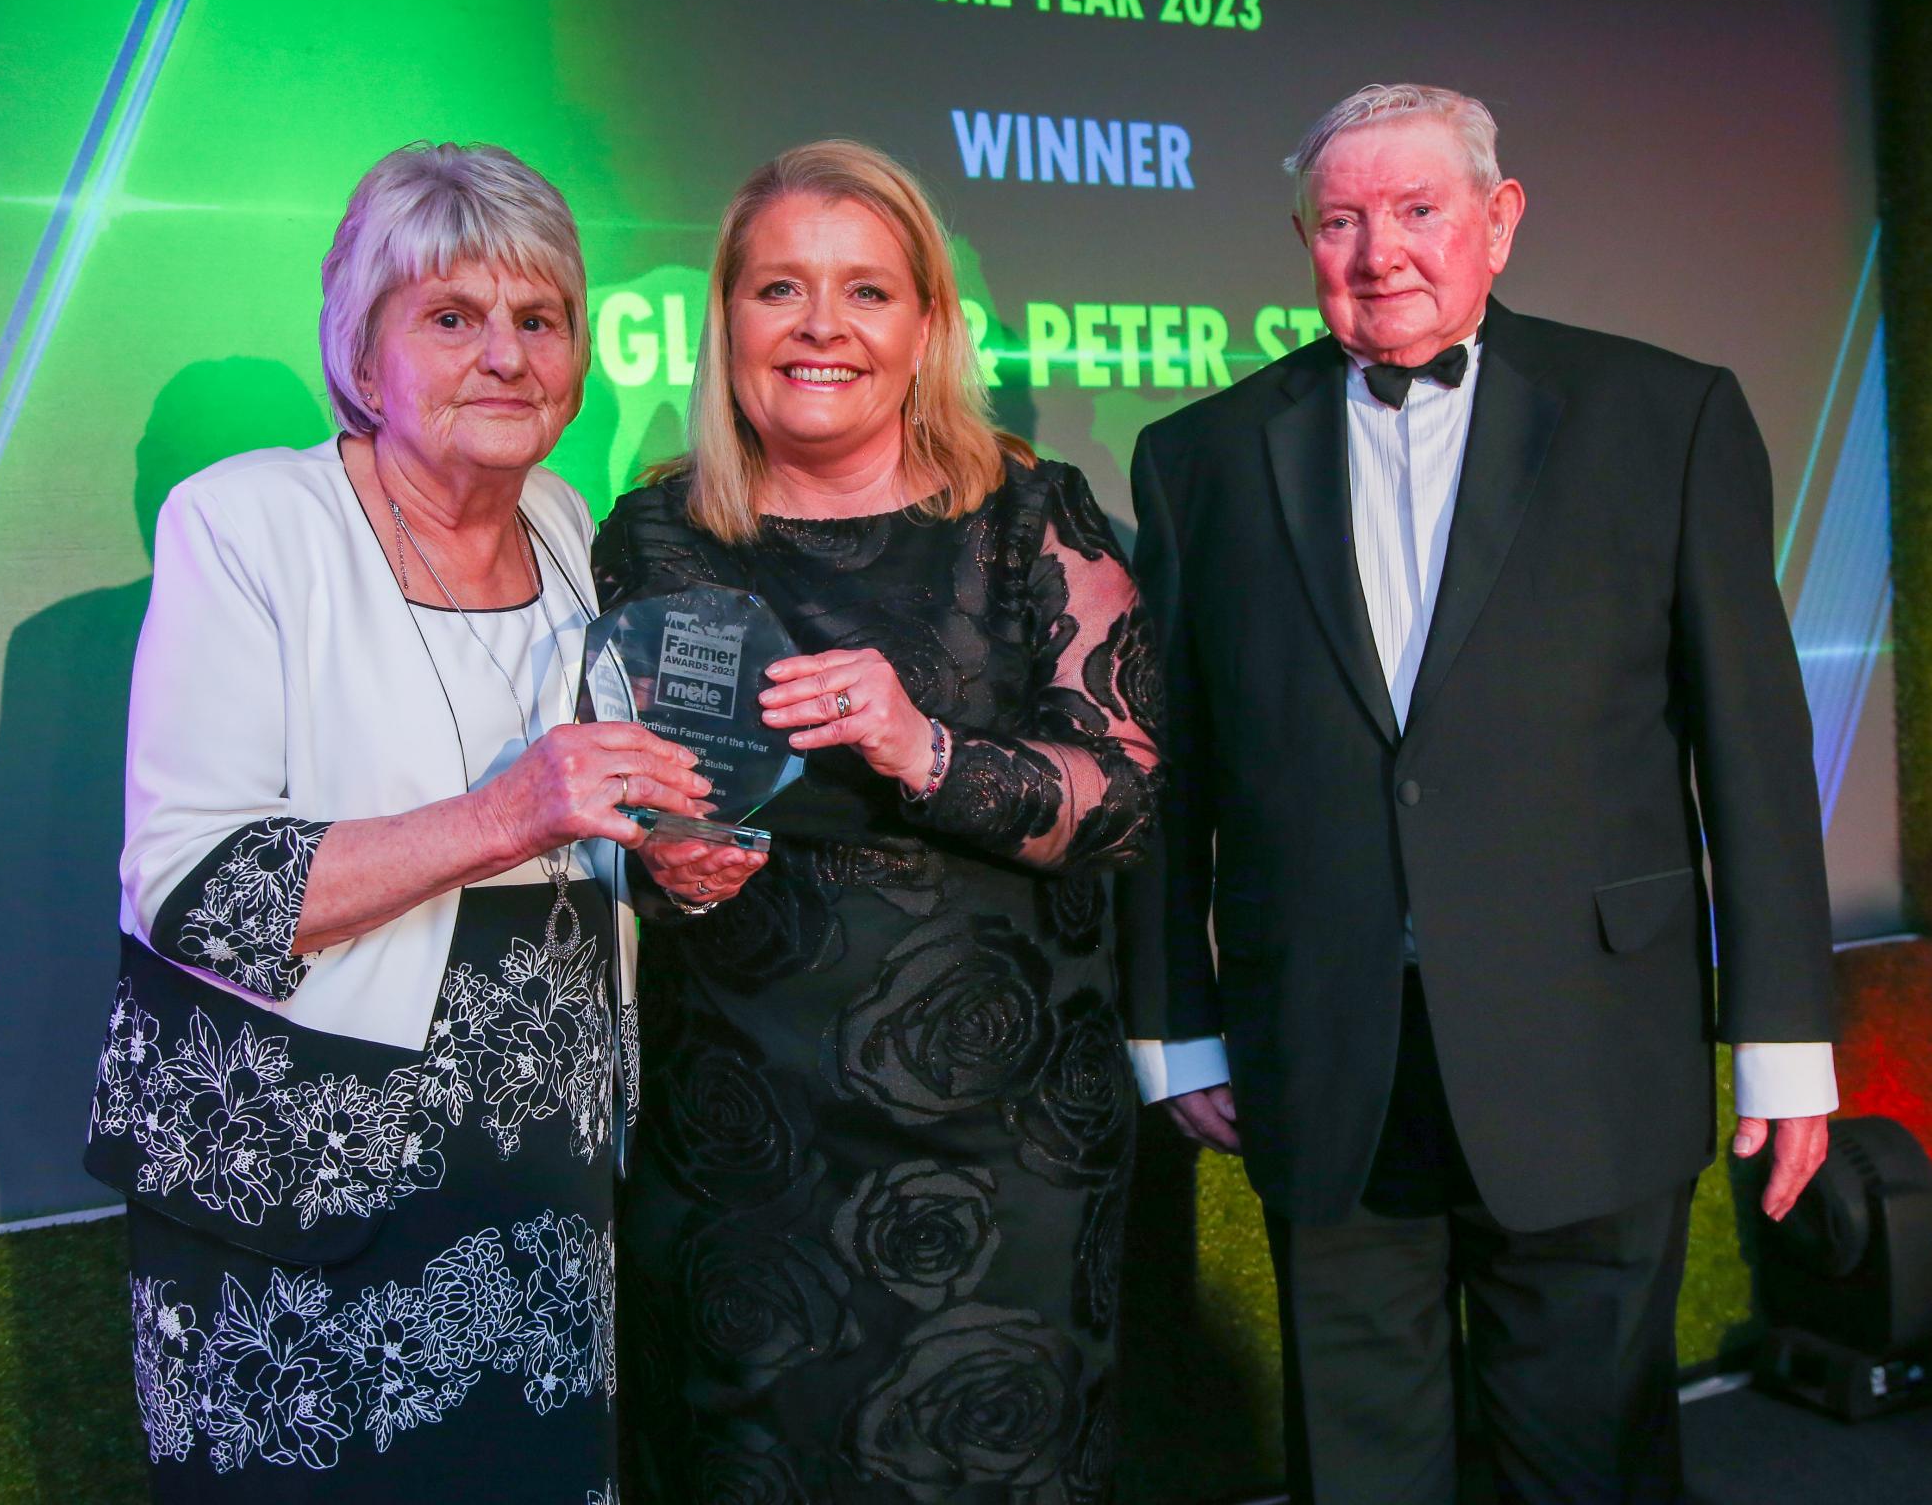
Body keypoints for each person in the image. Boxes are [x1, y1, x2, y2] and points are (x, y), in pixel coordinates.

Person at [1120, 84, 1839, 1503]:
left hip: (1592, 1042)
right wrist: (1175, 1021)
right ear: (1303, 241)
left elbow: (1751, 748)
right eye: (1341, 220)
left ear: (1499, 223)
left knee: (1590, 1462)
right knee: (1365, 1464)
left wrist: (1783, 1039)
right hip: (1326, 1047)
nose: (1379, 250)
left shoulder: (1664, 415)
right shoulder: (1196, 456)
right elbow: (1174, 761)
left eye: (1418, 209)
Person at [83, 141, 748, 1500]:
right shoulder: (250, 523)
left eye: (539, 318)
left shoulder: (567, 522)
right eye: (451, 316)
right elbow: (193, 886)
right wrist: (506, 814)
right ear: (364, 345)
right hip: (295, 1187)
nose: (505, 353)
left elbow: (585, 820)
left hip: (541, 1181)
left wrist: (662, 860)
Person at [595, 139, 1161, 1502]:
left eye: (867, 292)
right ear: (725, 317)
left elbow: (1126, 801)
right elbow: (618, 812)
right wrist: (661, 866)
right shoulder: (655, 534)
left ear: (926, 330)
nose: (821, 329)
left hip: (1006, 1156)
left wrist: (922, 745)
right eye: (779, 290)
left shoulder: (1029, 516)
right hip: (744, 1156)